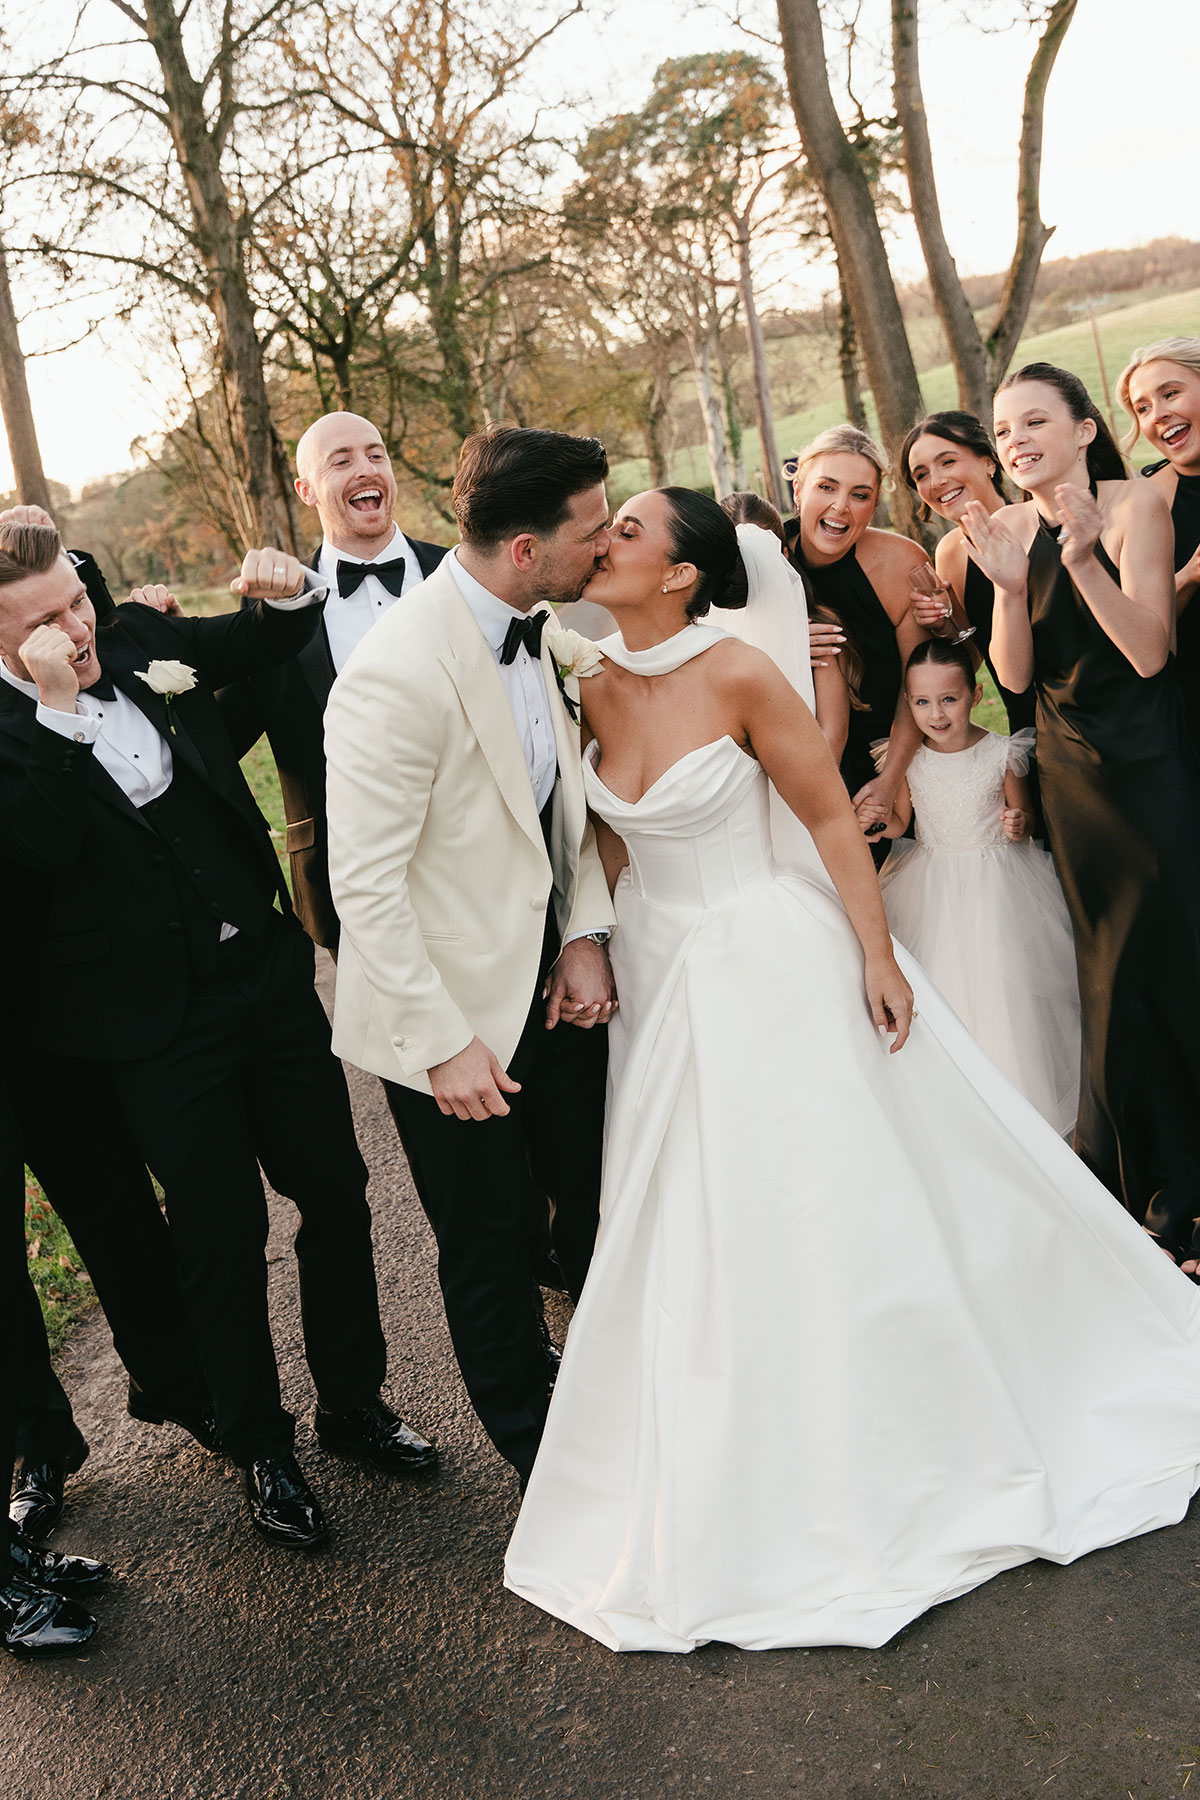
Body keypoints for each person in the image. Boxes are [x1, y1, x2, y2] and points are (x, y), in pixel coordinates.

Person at [503, 484, 1200, 1655]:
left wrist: (880, 957)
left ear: (681, 575)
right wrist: (587, 939)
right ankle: (741, 1435)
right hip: (664, 984)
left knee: (825, 1192)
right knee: (700, 1218)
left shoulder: (735, 673)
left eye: (629, 531)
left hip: (772, 955)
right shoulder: (585, 680)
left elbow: (830, 817)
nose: (606, 539)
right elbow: (607, 836)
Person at [0, 521, 433, 1550]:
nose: (77, 626)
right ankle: (261, 1448)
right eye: (46, 620)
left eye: (77, 601)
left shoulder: (138, 636)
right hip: (152, 1027)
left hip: (268, 979)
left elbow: (261, 643)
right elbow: (35, 857)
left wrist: (284, 593)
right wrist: (58, 712)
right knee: (218, 1236)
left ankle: (355, 1405)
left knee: (335, 1190)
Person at [324, 424, 617, 1490]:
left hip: (549, 979)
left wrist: (582, 934)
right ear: (528, 548)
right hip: (442, 1014)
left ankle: (624, 1398)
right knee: (490, 1243)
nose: (608, 543)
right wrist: (445, 1045)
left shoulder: (537, 628)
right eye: (591, 529)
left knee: (591, 1202)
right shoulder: (395, 672)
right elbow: (364, 888)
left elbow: (558, 813)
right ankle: (544, 1466)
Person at [964, 361, 1200, 1274]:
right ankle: (1144, 1188)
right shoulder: (1006, 527)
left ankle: (1188, 1191)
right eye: (1004, 429)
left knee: (1172, 962)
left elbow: (1148, 652)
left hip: (1150, 766)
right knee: (1110, 980)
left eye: (1033, 422)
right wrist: (1014, 590)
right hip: (1071, 779)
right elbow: (1014, 681)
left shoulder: (1138, 505)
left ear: (1085, 429)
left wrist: (1081, 558)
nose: (1015, 440)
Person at [215, 412, 448, 951]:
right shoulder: (274, 612)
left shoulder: (461, 576)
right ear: (306, 490)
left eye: (376, 454)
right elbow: (220, 739)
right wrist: (165, 641)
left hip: (481, 866)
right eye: (340, 461)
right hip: (349, 883)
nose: (365, 470)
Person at [870, 639, 1079, 1135]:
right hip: (931, 885)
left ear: (974, 693)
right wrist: (878, 822)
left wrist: (1016, 822)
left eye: (949, 699)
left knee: (1001, 992)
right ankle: (949, 1118)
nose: (936, 714)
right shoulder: (905, 760)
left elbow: (1024, 816)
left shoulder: (1002, 752)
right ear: (908, 701)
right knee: (941, 990)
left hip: (997, 887)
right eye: (921, 702)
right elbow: (901, 821)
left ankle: (1016, 1112)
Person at [785, 426, 933, 844]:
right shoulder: (761, 559)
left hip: (889, 755)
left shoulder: (901, 563)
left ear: (875, 503)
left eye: (859, 494)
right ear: (798, 490)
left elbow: (917, 686)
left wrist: (889, 781)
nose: (840, 507)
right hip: (798, 763)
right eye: (826, 487)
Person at [900, 412, 1037, 735]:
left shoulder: (1036, 524)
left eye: (947, 462)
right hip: (1027, 725)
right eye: (921, 475)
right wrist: (943, 626)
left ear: (989, 462)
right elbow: (973, 657)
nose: (935, 482)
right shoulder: (950, 552)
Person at [1118, 338, 1200, 751]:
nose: (1158, 415)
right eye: (1143, 407)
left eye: (1171, 393)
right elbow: (1141, 645)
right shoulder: (1144, 500)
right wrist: (1187, 577)